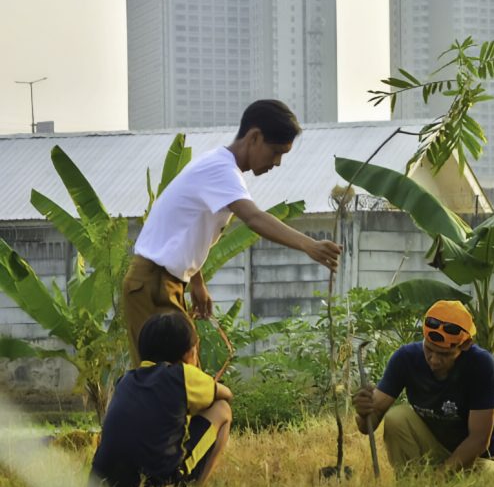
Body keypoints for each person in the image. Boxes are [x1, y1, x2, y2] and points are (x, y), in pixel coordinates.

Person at [123, 99, 342, 365]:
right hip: (153, 284)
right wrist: (310, 245)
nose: (278, 162)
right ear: (254, 137)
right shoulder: (221, 170)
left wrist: (197, 283)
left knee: (178, 376)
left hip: (164, 282)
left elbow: (185, 229)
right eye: (275, 152)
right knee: (168, 380)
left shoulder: (217, 165)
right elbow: (254, 218)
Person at [351, 300, 494, 478]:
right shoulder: (405, 358)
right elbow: (368, 425)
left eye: (444, 354)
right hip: (434, 454)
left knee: (491, 477)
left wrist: (439, 478)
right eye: (429, 350)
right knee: (396, 418)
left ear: (465, 346)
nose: (434, 360)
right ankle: (412, 486)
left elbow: (479, 440)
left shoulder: (481, 365)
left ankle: (433, 486)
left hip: (479, 460)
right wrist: (363, 411)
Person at [90, 312, 233, 487]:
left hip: (104, 486)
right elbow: (226, 394)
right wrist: (206, 383)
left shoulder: (125, 380)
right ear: (189, 353)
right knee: (222, 409)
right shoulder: (182, 374)